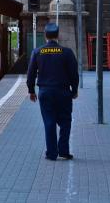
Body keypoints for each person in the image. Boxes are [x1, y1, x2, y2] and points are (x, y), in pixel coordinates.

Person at [27, 22, 79, 161]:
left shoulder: (37, 52)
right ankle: (63, 151)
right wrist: (74, 90)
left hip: (45, 92)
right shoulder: (67, 52)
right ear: (58, 35)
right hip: (63, 92)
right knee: (65, 122)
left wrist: (31, 90)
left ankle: (51, 154)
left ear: (45, 36)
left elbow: (31, 73)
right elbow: (74, 73)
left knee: (49, 122)